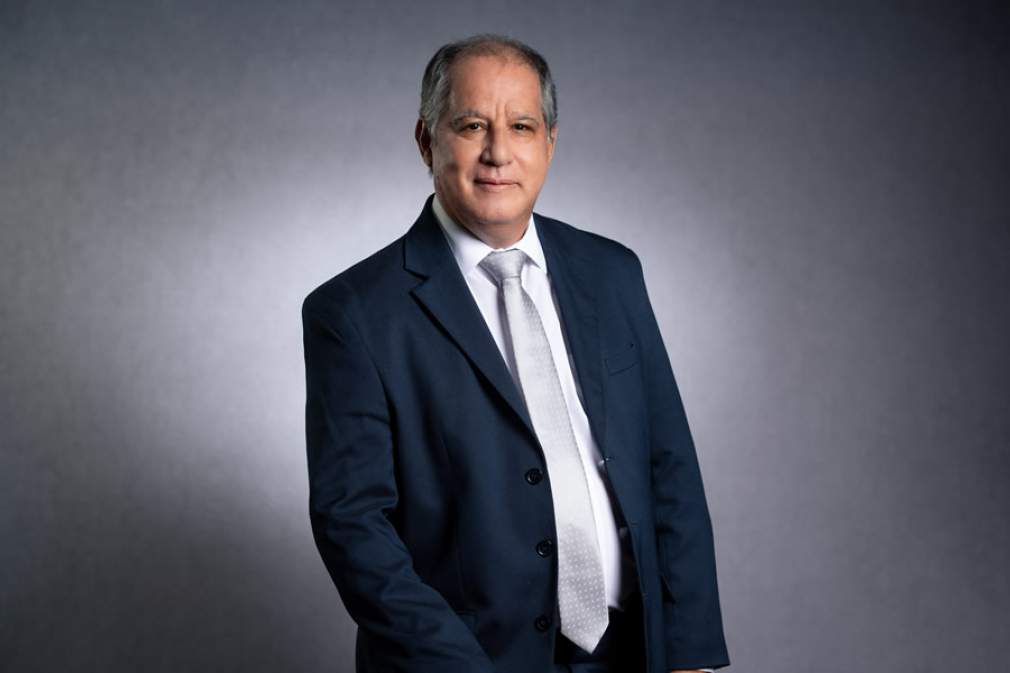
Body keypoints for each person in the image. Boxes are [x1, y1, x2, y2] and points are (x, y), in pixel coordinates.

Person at [301, 34, 730, 673]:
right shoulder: (354, 312)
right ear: (426, 140)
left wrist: (690, 653)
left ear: (549, 142)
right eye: (472, 125)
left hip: (633, 652)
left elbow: (669, 468)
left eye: (521, 126)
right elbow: (354, 528)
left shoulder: (612, 273)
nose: (498, 153)